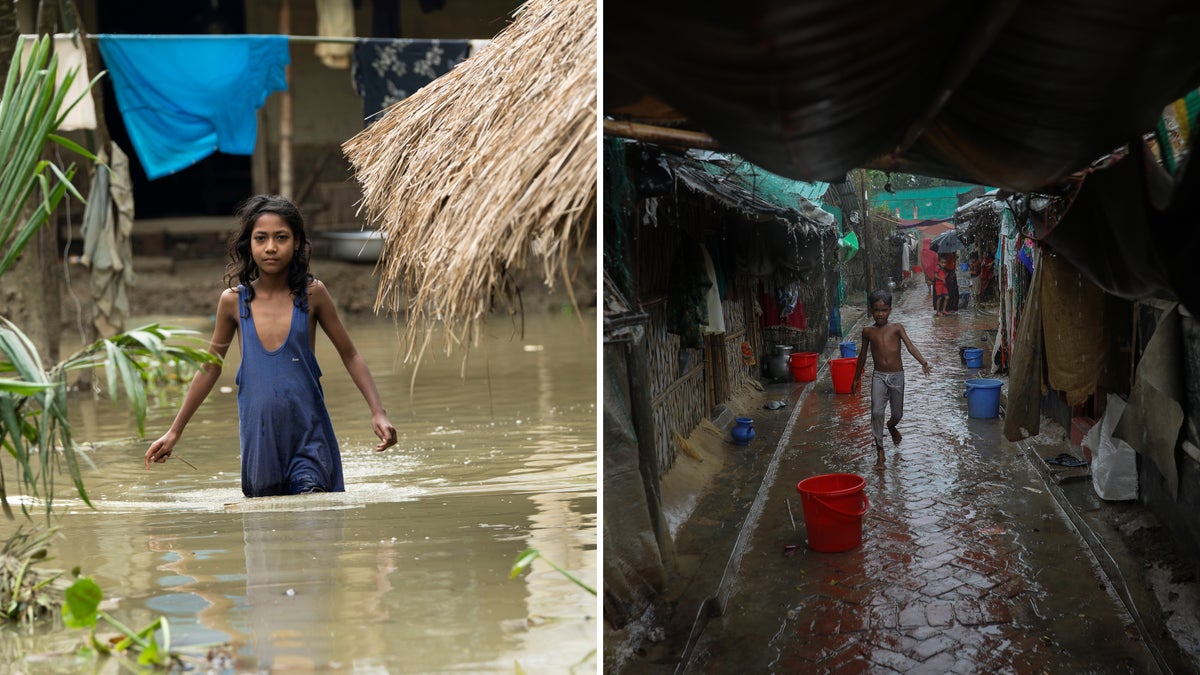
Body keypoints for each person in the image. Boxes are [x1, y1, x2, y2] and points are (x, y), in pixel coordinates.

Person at [145, 195, 397, 496]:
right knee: (267, 520)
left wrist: (378, 411)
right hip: (260, 443)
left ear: (296, 242)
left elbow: (351, 355)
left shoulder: (312, 294)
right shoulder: (233, 302)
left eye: (281, 237)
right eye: (261, 238)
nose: (271, 247)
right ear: (248, 245)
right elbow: (210, 367)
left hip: (309, 436)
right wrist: (174, 431)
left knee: (313, 507)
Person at [851, 289, 932, 467]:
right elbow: (862, 356)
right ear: (871, 310)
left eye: (884, 310)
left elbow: (910, 346)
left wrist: (923, 362)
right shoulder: (868, 331)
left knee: (897, 414)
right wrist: (856, 378)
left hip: (897, 377)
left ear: (890, 310)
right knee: (876, 412)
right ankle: (880, 451)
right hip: (879, 376)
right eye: (877, 310)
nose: (880, 314)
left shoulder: (897, 328)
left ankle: (891, 426)